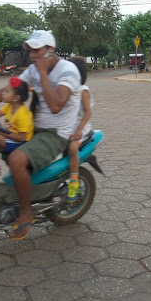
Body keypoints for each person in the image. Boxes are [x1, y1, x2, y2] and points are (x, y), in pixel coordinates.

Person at [0, 30, 81, 240]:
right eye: (30, 50)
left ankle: (26, 212)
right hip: (32, 129)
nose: (33, 55)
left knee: (17, 159)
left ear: (50, 51)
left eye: (37, 50)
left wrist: (43, 74)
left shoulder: (68, 71)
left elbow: (55, 106)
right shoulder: (33, 70)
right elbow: (7, 92)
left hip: (56, 133)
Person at [66, 57, 92, 203]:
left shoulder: (83, 90)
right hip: (67, 126)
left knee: (72, 148)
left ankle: (74, 180)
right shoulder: (66, 88)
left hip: (79, 129)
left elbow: (88, 112)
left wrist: (80, 129)